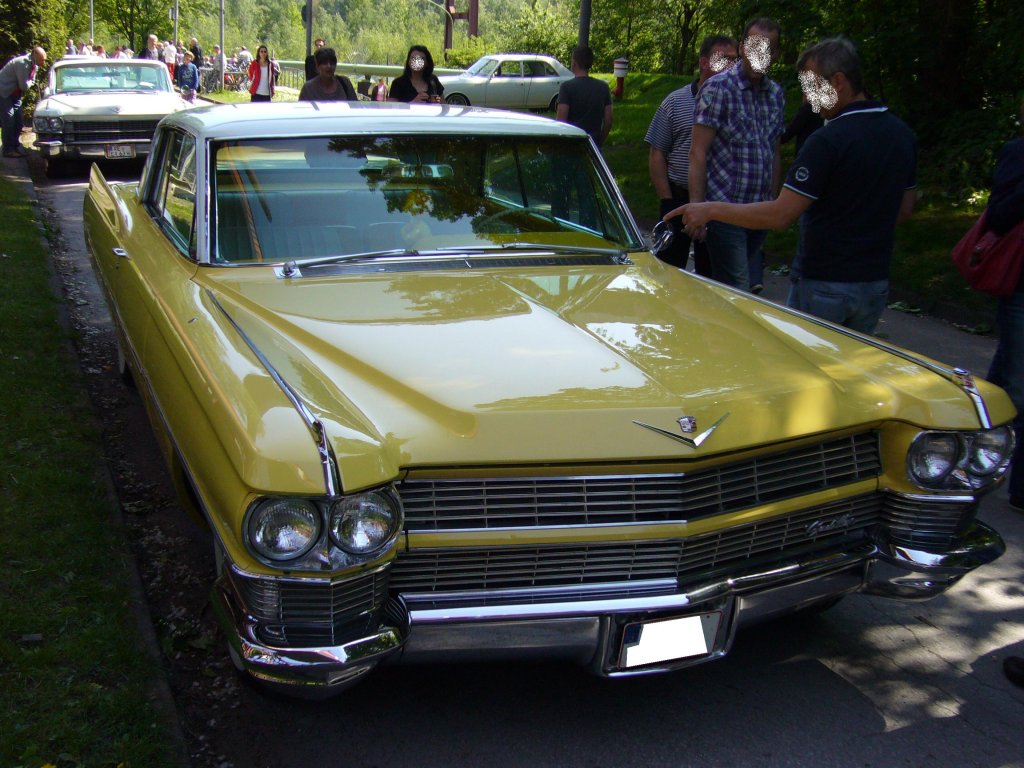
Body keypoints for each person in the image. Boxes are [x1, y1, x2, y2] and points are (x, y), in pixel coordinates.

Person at [666, 36, 917, 335]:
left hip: (824, 282)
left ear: (838, 81)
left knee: (803, 362)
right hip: (874, 285)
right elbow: (904, 209)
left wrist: (708, 209)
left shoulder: (826, 141)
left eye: (811, 86)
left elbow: (781, 215)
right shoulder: (902, 134)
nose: (807, 98)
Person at [689, 17, 786, 292]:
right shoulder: (718, 88)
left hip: (759, 210)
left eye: (767, 49)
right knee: (738, 289)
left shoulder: (776, 94)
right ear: (743, 47)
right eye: (754, 47)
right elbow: (698, 151)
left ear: (776, 54)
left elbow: (774, 150)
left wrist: (774, 202)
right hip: (725, 211)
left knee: (730, 291)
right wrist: (697, 208)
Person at [645, 34, 737, 275]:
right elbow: (657, 153)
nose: (731, 66)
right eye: (724, 59)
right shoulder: (676, 102)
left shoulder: (738, 104)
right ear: (704, 62)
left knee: (713, 275)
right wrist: (667, 199)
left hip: (719, 201)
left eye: (734, 60)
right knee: (668, 271)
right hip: (678, 197)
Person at [556, 45, 613, 149]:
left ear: (574, 63)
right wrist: (600, 142)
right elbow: (608, 121)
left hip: (571, 143)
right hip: (593, 142)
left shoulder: (566, 87)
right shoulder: (603, 87)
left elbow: (561, 120)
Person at [0, 47, 46, 158]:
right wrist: (30, 82)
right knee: (9, 121)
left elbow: (30, 80)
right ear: (35, 56)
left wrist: (30, 81)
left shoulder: (34, 65)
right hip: (4, 91)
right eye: (42, 60)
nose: (43, 63)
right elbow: (24, 86)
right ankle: (8, 150)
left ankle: (15, 145)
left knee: (19, 122)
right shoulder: (22, 63)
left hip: (15, 93)